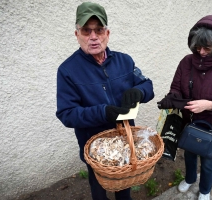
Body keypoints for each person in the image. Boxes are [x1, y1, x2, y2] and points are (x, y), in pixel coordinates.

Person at [56, 2, 154, 200]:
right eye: (86, 30)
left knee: (124, 186)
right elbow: (67, 113)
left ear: (107, 33)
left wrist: (139, 92)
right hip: (95, 148)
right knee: (99, 188)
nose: (93, 37)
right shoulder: (67, 70)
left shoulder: (124, 61)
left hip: (126, 141)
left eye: (99, 30)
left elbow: (148, 86)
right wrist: (102, 112)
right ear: (77, 35)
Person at [157, 15, 212, 200]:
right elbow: (176, 88)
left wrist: (210, 105)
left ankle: (205, 190)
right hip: (189, 123)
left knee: (207, 161)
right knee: (189, 154)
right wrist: (171, 98)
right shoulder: (186, 62)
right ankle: (190, 179)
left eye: (207, 47)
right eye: (198, 47)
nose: (202, 52)